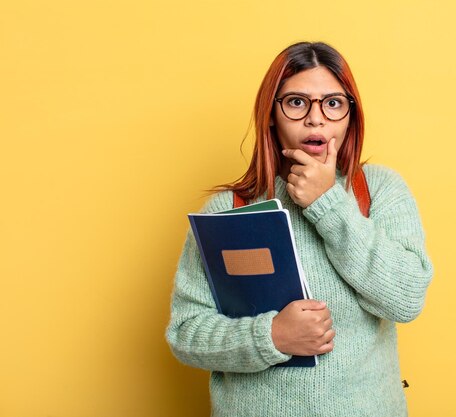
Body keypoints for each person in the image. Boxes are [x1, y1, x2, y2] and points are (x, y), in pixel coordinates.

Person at [166, 41, 434, 417]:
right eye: (296, 102)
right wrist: (271, 336)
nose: (316, 119)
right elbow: (187, 333)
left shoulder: (380, 192)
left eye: (333, 103)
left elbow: (406, 300)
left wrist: (327, 202)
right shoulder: (230, 209)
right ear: (271, 114)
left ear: (349, 115)